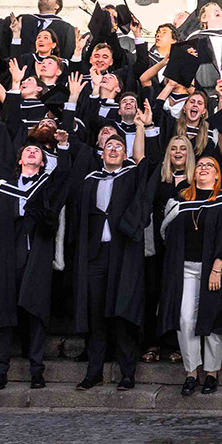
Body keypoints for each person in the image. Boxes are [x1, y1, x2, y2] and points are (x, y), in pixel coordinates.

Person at [65, 117, 158, 391]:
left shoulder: (131, 176)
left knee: (123, 312)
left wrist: (141, 127)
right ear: (102, 152)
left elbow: (144, 164)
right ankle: (94, 372)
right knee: (96, 314)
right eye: (109, 147)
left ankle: (127, 373)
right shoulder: (89, 181)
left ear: (125, 153)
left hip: (124, 253)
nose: (114, 150)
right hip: (95, 255)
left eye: (118, 146)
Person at [0, 141, 73, 390]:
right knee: (3, 311)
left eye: (37, 152)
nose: (32, 152)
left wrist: (63, 147)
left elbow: (64, 182)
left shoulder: (47, 188)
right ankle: (1, 370)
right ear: (20, 161)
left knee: (35, 311)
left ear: (43, 162)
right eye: (27, 151)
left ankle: (36, 370)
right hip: (5, 257)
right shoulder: (3, 189)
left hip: (36, 257)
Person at [157, 153, 222, 396]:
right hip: (184, 269)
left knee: (213, 319)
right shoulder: (179, 202)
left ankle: (212, 372)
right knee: (185, 319)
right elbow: (169, 237)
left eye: (210, 166)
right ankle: (191, 372)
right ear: (193, 173)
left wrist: (217, 268)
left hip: (214, 270)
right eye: (200, 166)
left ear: (217, 174)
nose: (204, 168)